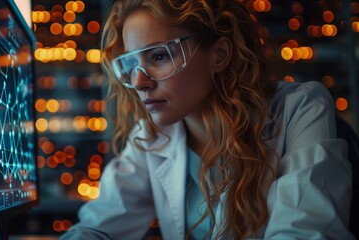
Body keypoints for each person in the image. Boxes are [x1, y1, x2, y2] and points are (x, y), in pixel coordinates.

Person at [60, 0, 354, 239]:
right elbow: (97, 228)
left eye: (159, 56)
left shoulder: (301, 107)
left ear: (220, 54)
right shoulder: (152, 136)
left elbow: (305, 234)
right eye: (132, 63)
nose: (139, 82)